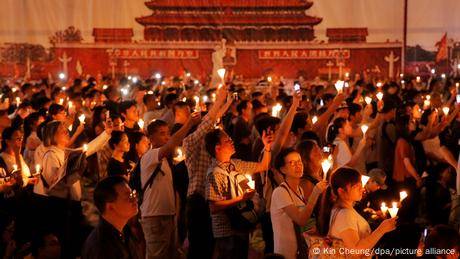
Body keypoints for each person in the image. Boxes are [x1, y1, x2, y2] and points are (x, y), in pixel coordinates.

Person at [205, 127, 272, 259]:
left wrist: (267, 147)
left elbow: (264, 166)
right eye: (227, 140)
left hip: (242, 226)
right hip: (226, 231)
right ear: (217, 148)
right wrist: (242, 197)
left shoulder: (236, 164)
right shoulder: (214, 173)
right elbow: (214, 207)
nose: (231, 141)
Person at [140, 114, 200, 259]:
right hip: (155, 216)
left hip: (167, 215)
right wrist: (189, 124)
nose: (167, 137)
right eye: (162, 134)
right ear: (151, 137)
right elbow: (171, 144)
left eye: (168, 133)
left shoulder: (166, 160)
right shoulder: (150, 156)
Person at [183, 87, 232, 259]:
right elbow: (208, 124)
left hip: (209, 201)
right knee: (198, 248)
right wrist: (219, 101)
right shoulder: (189, 143)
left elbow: (212, 121)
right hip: (197, 203)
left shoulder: (206, 148)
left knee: (210, 246)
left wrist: (226, 104)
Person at [270, 148, 327, 259]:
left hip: (300, 250)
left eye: (299, 161)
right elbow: (301, 220)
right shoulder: (280, 192)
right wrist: (315, 193)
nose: (298, 165)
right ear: (283, 169)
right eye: (292, 163)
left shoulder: (299, 190)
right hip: (286, 253)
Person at [327, 167, 397, 254]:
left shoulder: (343, 209)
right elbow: (355, 250)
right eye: (357, 187)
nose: (362, 189)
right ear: (341, 191)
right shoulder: (344, 214)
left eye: (361, 185)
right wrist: (381, 230)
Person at [81, 176, 142, 259]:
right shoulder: (101, 246)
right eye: (129, 197)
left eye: (133, 194)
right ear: (110, 207)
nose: (135, 200)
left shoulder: (125, 232)